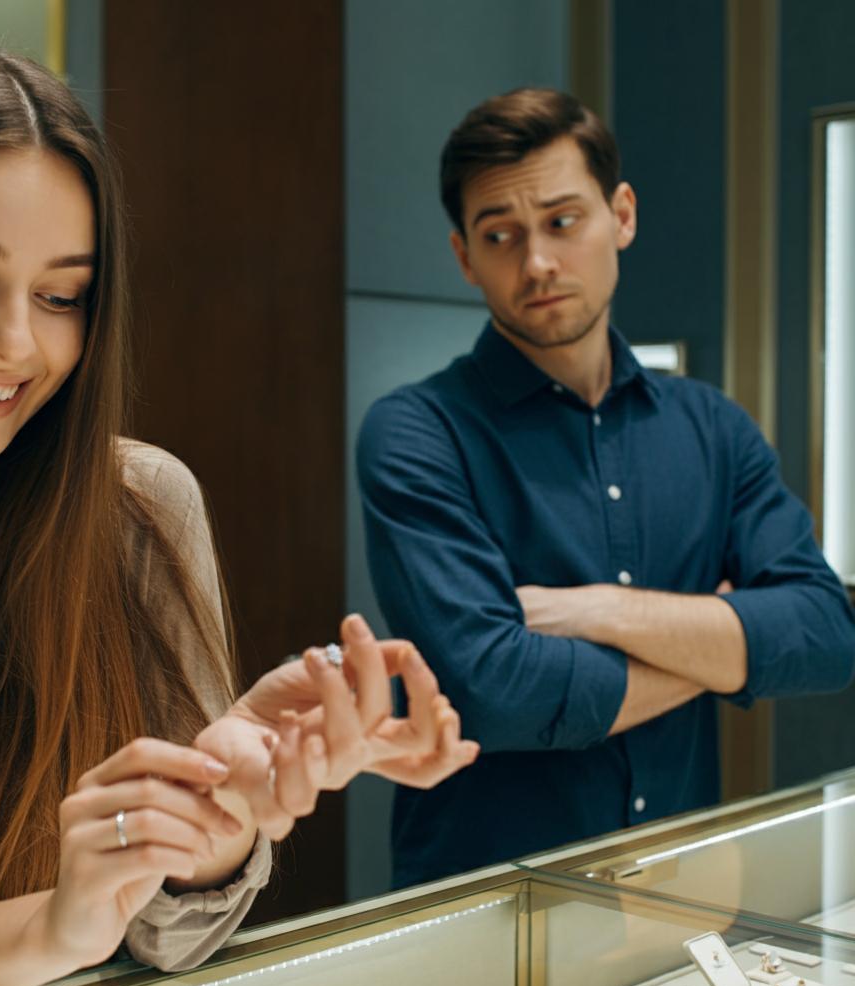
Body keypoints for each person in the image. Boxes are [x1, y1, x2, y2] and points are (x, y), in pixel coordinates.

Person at [0, 42, 479, 986]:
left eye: (62, 296)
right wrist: (50, 931)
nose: (15, 340)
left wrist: (212, 821)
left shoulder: (142, 506)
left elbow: (172, 934)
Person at [357, 87, 855, 889]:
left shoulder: (714, 428)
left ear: (620, 214)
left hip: (684, 888)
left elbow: (825, 635)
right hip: (488, 903)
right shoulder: (417, 432)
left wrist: (598, 610)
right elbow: (496, 694)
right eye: (501, 236)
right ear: (465, 257)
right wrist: (722, 648)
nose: (538, 262)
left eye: (562, 221)